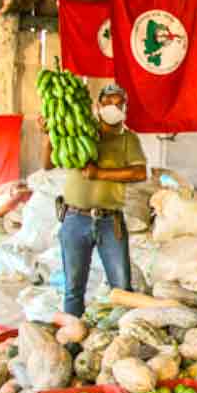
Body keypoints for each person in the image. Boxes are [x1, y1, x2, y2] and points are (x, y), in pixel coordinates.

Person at [42, 83, 147, 316]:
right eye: (107, 102)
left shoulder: (128, 140)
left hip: (110, 222)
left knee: (122, 288)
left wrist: (100, 173)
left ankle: (123, 338)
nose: (113, 107)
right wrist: (50, 134)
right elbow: (47, 164)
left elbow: (139, 173)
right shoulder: (78, 134)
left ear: (125, 108)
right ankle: (73, 340)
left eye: (118, 103)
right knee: (73, 289)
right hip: (74, 218)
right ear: (98, 106)